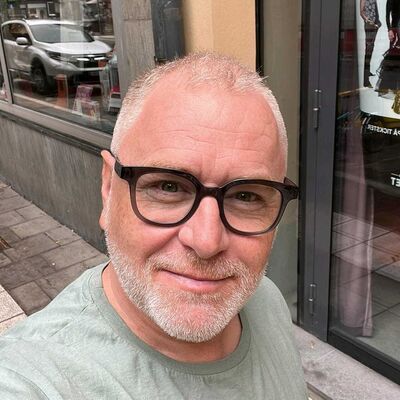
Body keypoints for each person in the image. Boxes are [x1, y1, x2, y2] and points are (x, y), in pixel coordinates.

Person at [0, 53, 307, 399]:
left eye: (247, 196)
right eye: (168, 187)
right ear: (108, 189)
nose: (207, 242)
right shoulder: (31, 380)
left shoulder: (266, 300)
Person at [360, 0, 381, 87]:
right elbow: (361, 12)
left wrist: (378, 23)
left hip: (374, 25)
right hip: (369, 25)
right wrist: (368, 21)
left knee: (371, 48)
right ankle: (365, 80)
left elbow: (375, 10)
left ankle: (367, 71)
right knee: (368, 50)